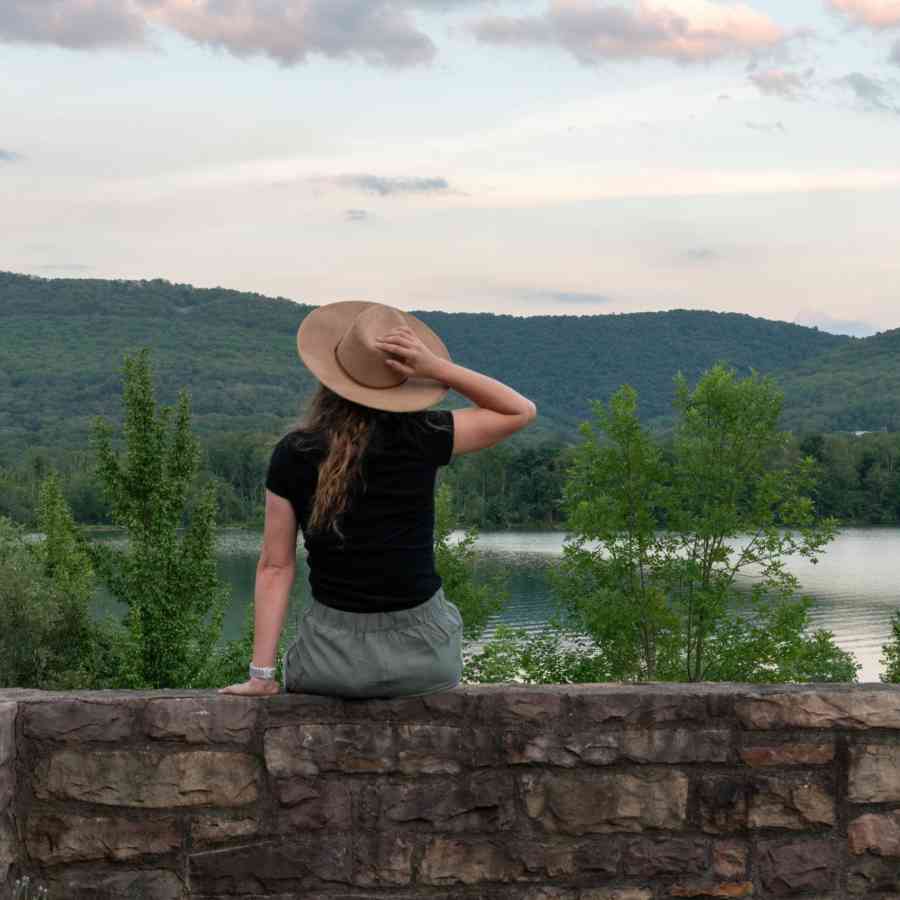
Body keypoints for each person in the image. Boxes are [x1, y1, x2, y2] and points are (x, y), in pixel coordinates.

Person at [219, 300, 537, 698]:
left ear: (330, 379)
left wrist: (261, 676)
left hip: (330, 662)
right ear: (402, 382)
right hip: (425, 660)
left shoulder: (294, 453)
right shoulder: (425, 435)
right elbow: (520, 411)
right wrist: (436, 368)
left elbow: (274, 567)